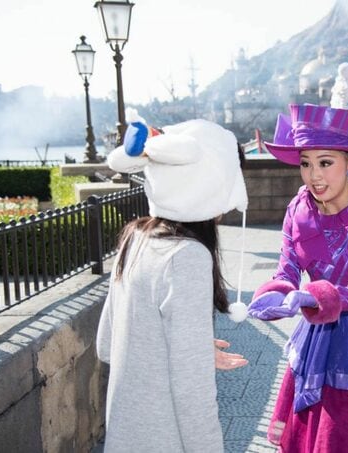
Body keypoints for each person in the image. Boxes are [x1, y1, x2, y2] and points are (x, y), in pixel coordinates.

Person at [248, 103, 348, 452]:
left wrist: (312, 297)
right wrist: (275, 294)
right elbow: (286, 270)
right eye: (306, 163)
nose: (314, 176)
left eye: (325, 162)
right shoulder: (297, 209)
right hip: (318, 335)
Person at [96, 116, 249, 452]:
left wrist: (189, 347)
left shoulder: (135, 238)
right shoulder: (187, 257)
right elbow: (192, 389)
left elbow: (106, 345)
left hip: (125, 437)